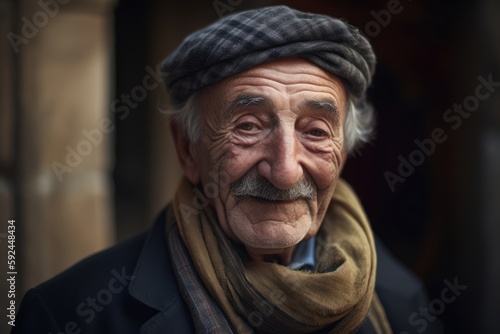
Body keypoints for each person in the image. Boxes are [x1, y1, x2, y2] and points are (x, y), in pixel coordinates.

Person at [13, 6, 443, 334]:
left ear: (342, 156)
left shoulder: (403, 304)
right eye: (249, 126)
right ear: (188, 149)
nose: (286, 172)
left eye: (315, 131)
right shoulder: (67, 314)